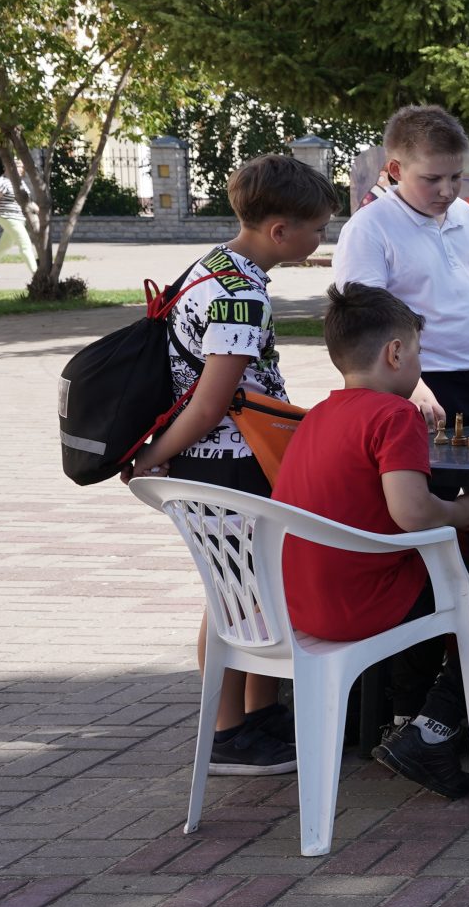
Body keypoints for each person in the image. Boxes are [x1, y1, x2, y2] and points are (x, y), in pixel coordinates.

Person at [128, 154, 338, 776]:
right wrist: (150, 459)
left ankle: (258, 712)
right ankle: (226, 732)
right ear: (280, 231)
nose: (321, 238)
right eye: (318, 227)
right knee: (231, 598)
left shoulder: (213, 264)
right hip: (229, 465)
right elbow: (211, 402)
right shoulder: (241, 293)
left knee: (251, 591)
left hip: (225, 461)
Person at [274, 285, 469, 799]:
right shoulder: (395, 414)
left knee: (434, 580)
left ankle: (405, 718)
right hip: (363, 603)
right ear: (395, 353)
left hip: (303, 606)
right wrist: (467, 511)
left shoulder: (317, 415)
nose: (420, 364)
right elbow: (414, 512)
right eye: (419, 352)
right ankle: (431, 732)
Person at [334, 106, 469, 428]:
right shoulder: (368, 229)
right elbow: (363, 325)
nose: (447, 191)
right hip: (423, 387)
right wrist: (412, 386)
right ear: (396, 170)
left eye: (456, 177)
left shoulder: (468, 216)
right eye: (432, 179)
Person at [0, 172, 35, 278]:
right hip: (7, 217)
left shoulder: (20, 182)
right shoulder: (1, 181)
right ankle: (37, 274)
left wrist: (37, 208)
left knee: (5, 245)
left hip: (19, 218)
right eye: (17, 165)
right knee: (25, 244)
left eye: (22, 166)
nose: (21, 169)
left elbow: (26, 200)